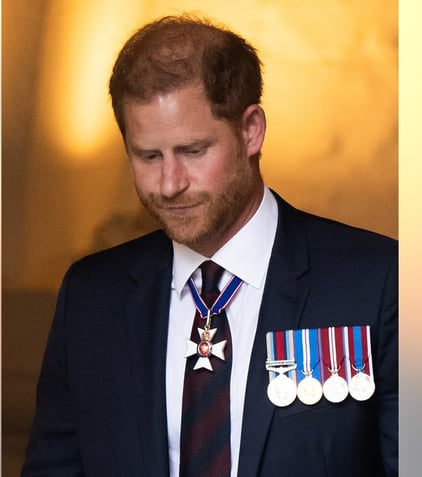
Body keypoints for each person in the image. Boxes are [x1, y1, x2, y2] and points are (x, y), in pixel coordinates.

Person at [22, 14, 397, 477]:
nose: (169, 184)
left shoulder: (378, 282)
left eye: (193, 151)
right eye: (148, 156)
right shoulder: (91, 297)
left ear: (251, 131)